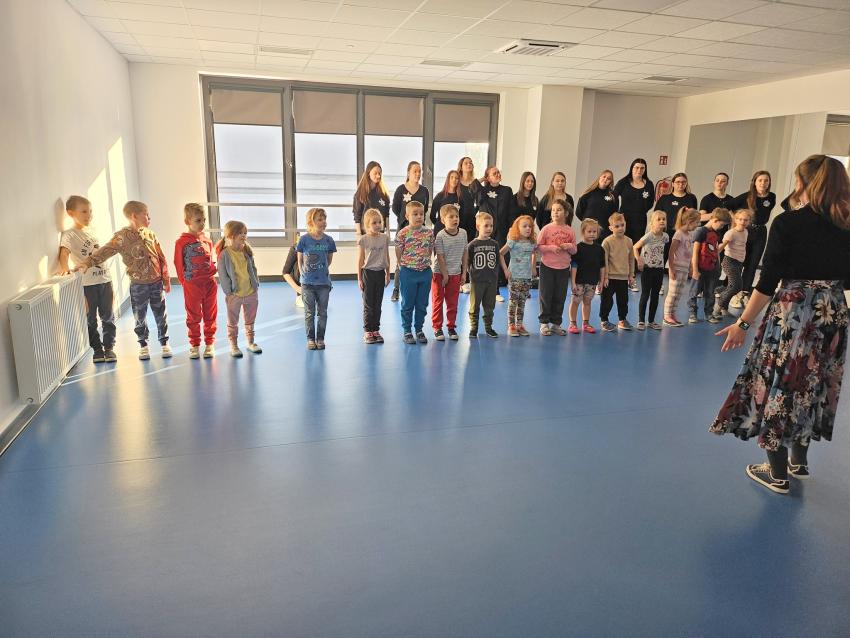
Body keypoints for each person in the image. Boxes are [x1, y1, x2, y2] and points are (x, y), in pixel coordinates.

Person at [709, 154, 850, 495]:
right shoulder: (846, 225)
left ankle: (776, 473)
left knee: (781, 383)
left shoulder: (788, 223)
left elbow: (768, 280)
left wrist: (743, 323)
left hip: (794, 312)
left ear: (803, 183)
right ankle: (799, 461)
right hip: (832, 312)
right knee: (813, 382)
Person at [81, 201, 170, 361]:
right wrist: (88, 262)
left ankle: (164, 342)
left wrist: (166, 279)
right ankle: (143, 345)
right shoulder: (122, 237)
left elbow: (160, 257)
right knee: (140, 316)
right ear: (134, 216)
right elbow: (105, 250)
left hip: (156, 283)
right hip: (138, 286)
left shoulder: (150, 234)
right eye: (146, 214)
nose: (149, 218)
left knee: (160, 313)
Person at [58, 195, 116, 363]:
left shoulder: (93, 230)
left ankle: (109, 348)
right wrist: (65, 269)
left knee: (108, 317)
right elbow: (64, 253)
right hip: (87, 285)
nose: (88, 215)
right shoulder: (69, 234)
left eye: (90, 211)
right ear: (71, 213)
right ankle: (97, 349)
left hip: (105, 280)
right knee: (90, 319)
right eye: (84, 211)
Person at [174, 203, 217, 359]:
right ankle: (195, 344)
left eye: (204, 220)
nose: (202, 223)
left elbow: (210, 260)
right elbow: (178, 263)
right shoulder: (181, 242)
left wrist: (213, 271)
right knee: (193, 315)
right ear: (187, 221)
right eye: (198, 220)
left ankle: (210, 343)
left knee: (210, 314)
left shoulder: (207, 240)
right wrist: (185, 282)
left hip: (209, 284)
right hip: (192, 285)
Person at [216, 220, 262, 358]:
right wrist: (228, 292)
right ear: (231, 236)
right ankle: (234, 346)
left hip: (251, 292)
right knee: (233, 321)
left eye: (245, 233)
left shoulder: (247, 251)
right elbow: (222, 275)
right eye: (240, 233)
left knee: (250, 320)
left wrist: (256, 285)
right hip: (234, 295)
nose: (243, 235)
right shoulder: (224, 254)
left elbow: (253, 268)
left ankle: (251, 343)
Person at [732, 170, 776, 309]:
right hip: (745, 230)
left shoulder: (772, 197)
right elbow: (729, 205)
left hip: (761, 232)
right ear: (754, 182)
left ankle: (745, 292)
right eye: (760, 180)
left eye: (766, 180)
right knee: (739, 262)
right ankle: (733, 292)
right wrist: (736, 221)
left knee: (753, 263)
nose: (763, 183)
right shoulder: (747, 196)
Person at [297, 208, 336, 351]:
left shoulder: (329, 240)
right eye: (319, 219)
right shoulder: (304, 240)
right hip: (307, 284)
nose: (323, 222)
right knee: (309, 313)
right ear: (310, 222)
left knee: (322, 312)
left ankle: (320, 338)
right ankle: (310, 339)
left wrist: (321, 271)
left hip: (323, 283)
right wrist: (304, 276)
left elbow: (329, 260)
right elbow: (300, 260)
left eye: (324, 219)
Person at [536, 199, 577, 336]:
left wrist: (569, 246)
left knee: (560, 296)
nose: (555, 212)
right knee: (545, 295)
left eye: (558, 210)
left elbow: (574, 250)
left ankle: (556, 324)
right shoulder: (546, 229)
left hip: (563, 268)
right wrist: (551, 248)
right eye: (553, 210)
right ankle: (544, 323)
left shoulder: (570, 231)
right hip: (547, 267)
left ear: (566, 213)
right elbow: (538, 247)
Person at [391, 161, 430, 303]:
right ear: (408, 173)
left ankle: (417, 287)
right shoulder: (400, 189)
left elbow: (425, 209)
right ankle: (396, 289)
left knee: (418, 259)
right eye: (415, 171)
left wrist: (417, 221)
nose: (418, 174)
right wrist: (406, 220)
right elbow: (395, 208)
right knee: (401, 261)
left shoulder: (424, 191)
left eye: (420, 171)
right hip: (404, 229)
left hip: (419, 233)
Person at [396, 200, 434, 345]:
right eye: (415, 214)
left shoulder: (429, 232)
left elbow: (430, 249)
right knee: (407, 303)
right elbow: (399, 250)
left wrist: (424, 262)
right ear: (407, 216)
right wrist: (402, 264)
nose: (419, 216)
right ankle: (407, 330)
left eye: (421, 214)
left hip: (425, 273)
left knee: (422, 303)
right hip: (408, 272)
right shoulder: (403, 233)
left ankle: (419, 329)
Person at [613, 159, 654, 289]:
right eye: (636, 167)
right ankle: (617, 276)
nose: (639, 170)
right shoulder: (624, 182)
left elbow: (650, 203)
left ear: (645, 170)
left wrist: (640, 210)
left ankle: (632, 277)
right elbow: (613, 196)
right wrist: (617, 214)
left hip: (640, 220)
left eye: (642, 168)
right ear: (632, 168)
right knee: (621, 246)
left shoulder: (649, 184)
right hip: (624, 220)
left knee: (635, 247)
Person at [464, 212, 505, 339]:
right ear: (478, 227)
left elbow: (497, 260)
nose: (489, 228)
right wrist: (469, 275)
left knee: (489, 306)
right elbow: (467, 262)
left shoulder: (495, 244)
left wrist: (497, 274)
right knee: (474, 306)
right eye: (486, 226)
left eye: (491, 226)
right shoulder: (472, 245)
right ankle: (473, 328)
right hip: (477, 281)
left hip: (491, 281)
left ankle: (488, 327)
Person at [688, 208, 732, 324]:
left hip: (712, 268)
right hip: (700, 268)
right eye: (722, 225)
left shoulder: (715, 232)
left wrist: (718, 267)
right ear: (715, 220)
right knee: (694, 291)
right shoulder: (700, 231)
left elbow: (715, 250)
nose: (722, 227)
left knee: (710, 292)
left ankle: (709, 313)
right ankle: (692, 313)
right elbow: (695, 252)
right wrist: (695, 269)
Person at [476, 166, 514, 301]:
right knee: (484, 260)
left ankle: (495, 290)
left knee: (497, 260)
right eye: (494, 173)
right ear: (488, 177)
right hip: (485, 230)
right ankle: (482, 289)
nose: (498, 174)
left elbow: (511, 211)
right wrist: (483, 179)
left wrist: (511, 228)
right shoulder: (483, 190)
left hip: (501, 231)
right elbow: (472, 188)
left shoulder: (507, 190)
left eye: (498, 172)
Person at [432, 204, 468, 342]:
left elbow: (465, 253)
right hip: (439, 274)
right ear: (443, 220)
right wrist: (445, 275)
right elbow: (440, 257)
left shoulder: (463, 233)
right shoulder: (440, 236)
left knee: (453, 302)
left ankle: (451, 326)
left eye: (456, 216)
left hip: (455, 274)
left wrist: (464, 273)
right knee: (438, 301)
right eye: (451, 217)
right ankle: (437, 327)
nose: (455, 219)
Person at [357, 209, 390, 345]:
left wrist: (388, 273)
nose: (378, 225)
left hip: (380, 273)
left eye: (379, 222)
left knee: (378, 304)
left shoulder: (384, 238)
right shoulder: (363, 240)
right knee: (369, 304)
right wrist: (359, 278)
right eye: (374, 223)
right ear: (367, 225)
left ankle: (376, 330)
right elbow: (360, 260)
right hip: (368, 274)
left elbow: (387, 256)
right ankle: (367, 331)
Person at [663, 207, 700, 327]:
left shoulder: (689, 235)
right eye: (696, 222)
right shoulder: (679, 234)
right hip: (677, 268)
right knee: (672, 293)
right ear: (689, 221)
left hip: (684, 269)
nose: (697, 225)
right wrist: (671, 269)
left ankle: (672, 314)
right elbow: (671, 252)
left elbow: (689, 253)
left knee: (679, 294)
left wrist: (690, 267)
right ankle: (667, 316)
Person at [500, 214, 536, 337]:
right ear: (518, 228)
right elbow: (501, 253)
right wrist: (506, 270)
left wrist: (533, 267)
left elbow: (533, 253)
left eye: (530, 226)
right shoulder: (513, 242)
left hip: (527, 277)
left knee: (522, 302)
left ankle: (519, 325)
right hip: (514, 276)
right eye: (524, 226)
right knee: (513, 302)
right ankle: (511, 325)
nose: (528, 228)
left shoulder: (532, 242)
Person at [713, 209, 752, 320]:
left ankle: (723, 307)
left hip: (739, 263)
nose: (742, 222)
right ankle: (717, 308)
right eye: (740, 219)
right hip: (729, 261)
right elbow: (722, 246)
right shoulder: (731, 233)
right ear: (735, 220)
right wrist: (713, 254)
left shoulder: (745, 232)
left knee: (735, 286)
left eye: (745, 220)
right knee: (735, 286)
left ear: (749, 221)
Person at [633, 211, 669, 331]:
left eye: (663, 219)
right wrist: (639, 260)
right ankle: (641, 320)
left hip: (659, 270)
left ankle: (651, 321)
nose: (662, 221)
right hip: (647, 270)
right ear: (652, 223)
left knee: (655, 296)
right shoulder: (648, 236)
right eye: (659, 219)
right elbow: (635, 247)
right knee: (645, 294)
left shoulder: (665, 237)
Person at [568, 218, 605, 334]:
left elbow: (602, 266)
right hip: (579, 281)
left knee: (587, 302)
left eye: (594, 232)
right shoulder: (578, 248)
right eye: (589, 231)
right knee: (575, 302)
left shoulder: (599, 249)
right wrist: (573, 282)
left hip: (592, 282)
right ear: (583, 232)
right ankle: (572, 323)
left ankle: (586, 323)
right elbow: (574, 265)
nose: (592, 234)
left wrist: (601, 281)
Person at [600, 212, 635, 332]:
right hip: (610, 278)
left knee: (623, 301)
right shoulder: (607, 242)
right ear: (611, 228)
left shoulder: (629, 241)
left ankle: (622, 320)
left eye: (622, 225)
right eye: (617, 226)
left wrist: (631, 275)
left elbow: (631, 259)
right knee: (607, 300)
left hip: (623, 278)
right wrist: (605, 277)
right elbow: (604, 261)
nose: (620, 228)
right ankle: (604, 320)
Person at [654, 172, 697, 269]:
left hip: (683, 233)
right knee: (662, 258)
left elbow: (693, 216)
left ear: (686, 183)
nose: (680, 184)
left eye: (683, 182)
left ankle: (677, 278)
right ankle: (658, 278)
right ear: (673, 184)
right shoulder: (665, 198)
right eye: (678, 182)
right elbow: (656, 215)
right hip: (666, 232)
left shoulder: (691, 198)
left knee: (681, 259)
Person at [575, 170, 618, 243]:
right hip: (590, 231)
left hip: (605, 233)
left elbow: (614, 215)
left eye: (608, 178)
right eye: (604, 176)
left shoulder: (613, 196)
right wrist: (588, 223)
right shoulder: (588, 193)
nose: (605, 179)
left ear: (610, 182)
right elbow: (578, 212)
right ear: (600, 177)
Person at [353, 161, 390, 235]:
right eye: (375, 173)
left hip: (380, 234)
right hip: (365, 234)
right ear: (368, 173)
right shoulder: (360, 194)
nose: (378, 176)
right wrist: (358, 234)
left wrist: (388, 232)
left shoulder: (384, 194)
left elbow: (386, 215)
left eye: (380, 173)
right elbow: (357, 216)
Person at [430, 170, 465, 235]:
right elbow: (432, 216)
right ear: (448, 179)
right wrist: (441, 224)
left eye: (456, 178)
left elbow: (461, 217)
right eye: (452, 177)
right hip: (440, 230)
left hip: (454, 232)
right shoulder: (440, 196)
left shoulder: (460, 198)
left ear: (458, 181)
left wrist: (453, 227)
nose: (454, 180)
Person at [281, 235, 303, 308]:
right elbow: (285, 272)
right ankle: (300, 295)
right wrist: (298, 289)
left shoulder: (319, 246)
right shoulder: (295, 248)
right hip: (300, 280)